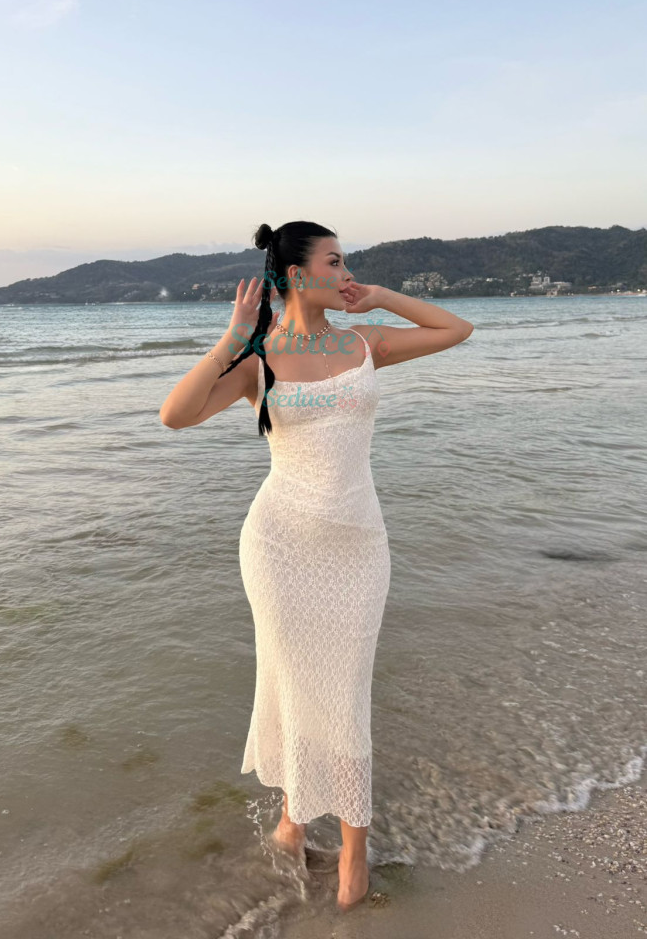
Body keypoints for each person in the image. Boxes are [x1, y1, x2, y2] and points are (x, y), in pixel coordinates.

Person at [159, 220, 474, 911]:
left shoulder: (363, 344)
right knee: (296, 684)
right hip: (279, 546)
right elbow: (174, 416)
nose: (346, 272)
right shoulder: (257, 359)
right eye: (335, 262)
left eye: (347, 262)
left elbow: (457, 329)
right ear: (297, 275)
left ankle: (353, 847)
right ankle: (294, 820)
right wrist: (233, 337)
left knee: (347, 691)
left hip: (357, 544)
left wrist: (381, 296)